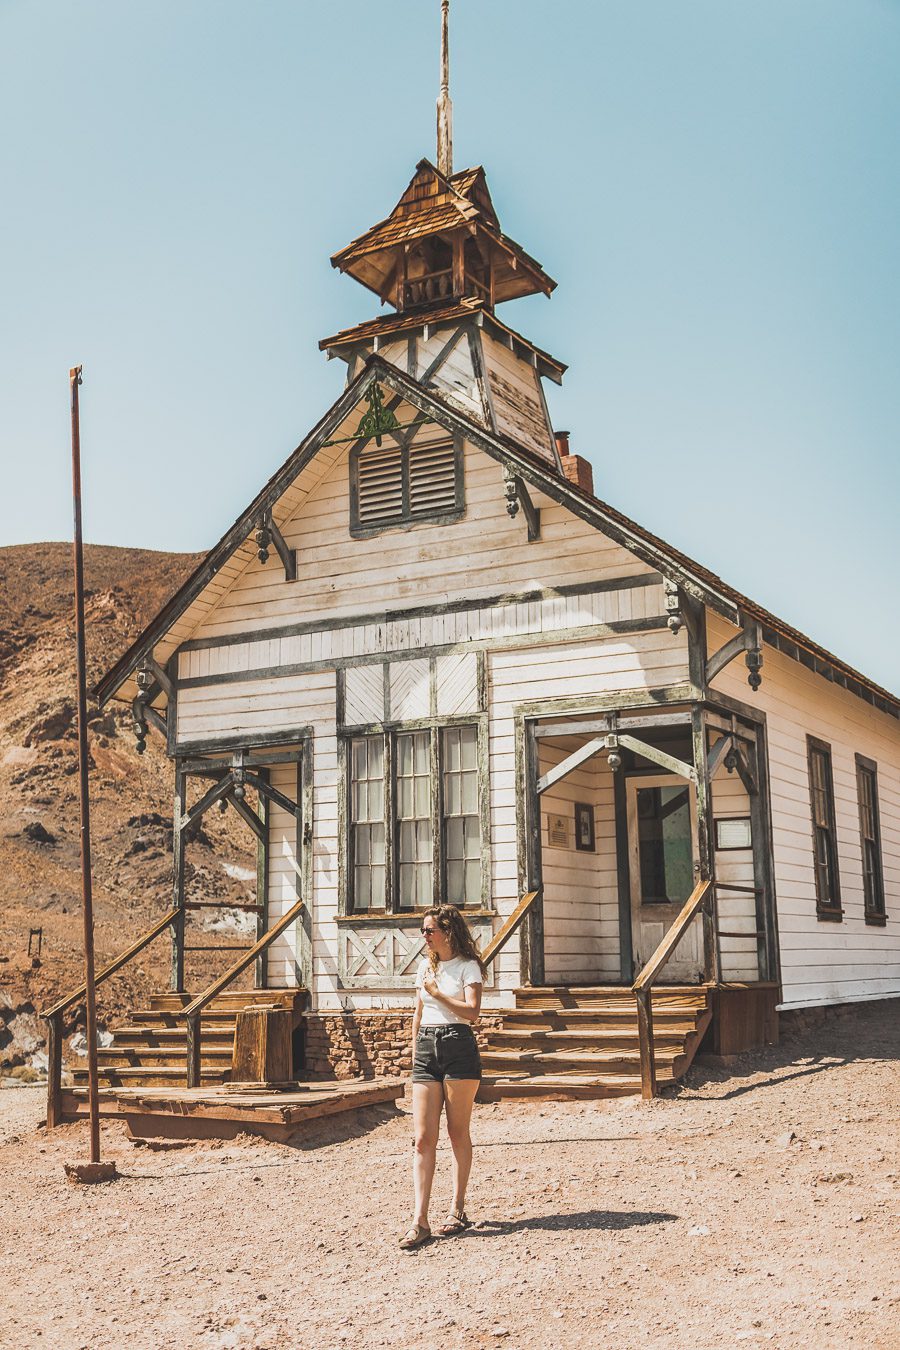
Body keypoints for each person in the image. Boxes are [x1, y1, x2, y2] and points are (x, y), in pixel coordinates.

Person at [399, 904, 486, 1251]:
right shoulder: (424, 967)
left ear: (448, 932)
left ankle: (457, 1208)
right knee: (422, 1138)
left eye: (429, 930)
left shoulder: (468, 967)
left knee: (456, 1131)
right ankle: (420, 1221)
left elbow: (473, 1013)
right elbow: (419, 1011)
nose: (424, 936)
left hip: (458, 1046)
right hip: (426, 1050)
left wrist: (438, 994)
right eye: (423, 930)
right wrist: (413, 1050)